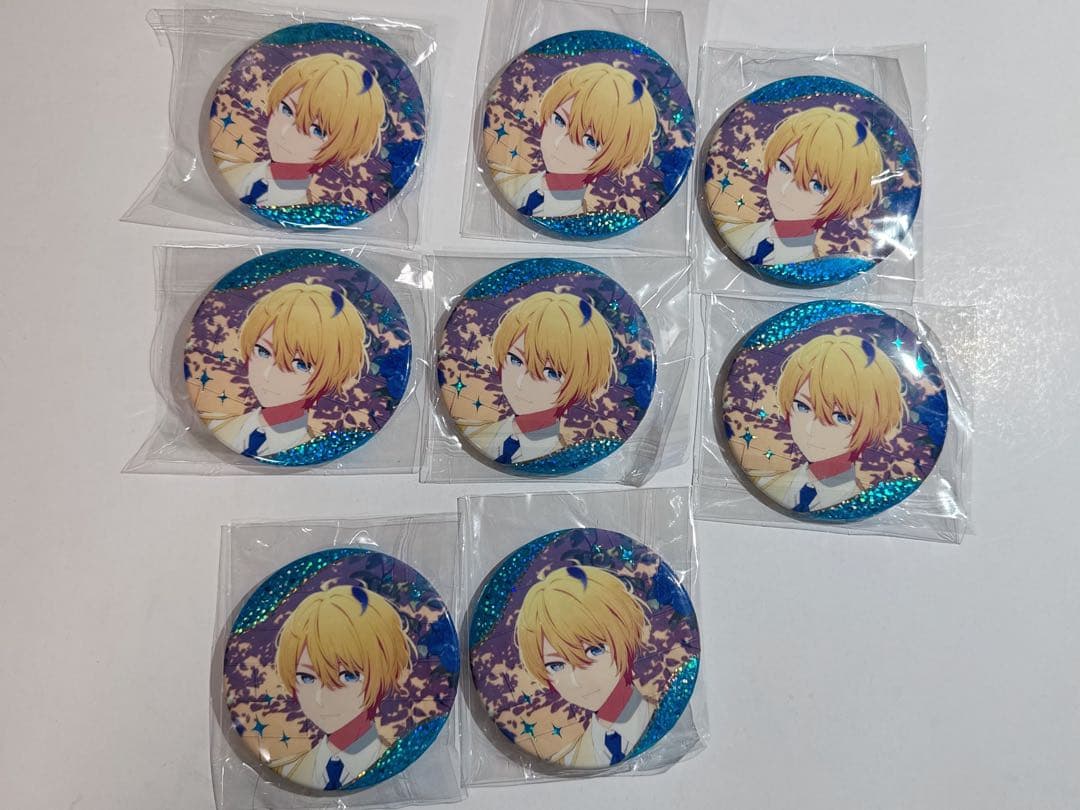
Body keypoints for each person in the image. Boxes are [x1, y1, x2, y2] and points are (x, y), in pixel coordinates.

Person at [271, 585, 414, 790]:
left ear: (383, 673)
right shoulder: (285, 770)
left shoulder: (402, 767)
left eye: (349, 676)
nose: (321, 699)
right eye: (307, 678)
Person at [207, 282, 368, 458]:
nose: (268, 375)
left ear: (331, 374)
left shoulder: (312, 452)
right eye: (263, 352)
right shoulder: (215, 426)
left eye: (301, 365)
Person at [515, 565, 653, 767]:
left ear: (624, 638)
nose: (576, 681)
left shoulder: (666, 718)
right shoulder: (566, 760)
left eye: (594, 650)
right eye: (556, 665)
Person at [753, 333, 906, 512]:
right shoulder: (765, 485)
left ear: (872, 424)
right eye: (802, 407)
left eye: (842, 417)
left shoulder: (862, 504)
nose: (811, 429)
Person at [717, 107, 884, 265]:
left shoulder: (816, 269)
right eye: (784, 167)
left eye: (817, 186)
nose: (787, 190)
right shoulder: (727, 228)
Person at [464, 291, 615, 464]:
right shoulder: (471, 432)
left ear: (581, 383)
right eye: (515, 360)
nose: (521, 383)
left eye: (552, 373)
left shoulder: (564, 459)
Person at [218, 53, 386, 207]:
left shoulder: (303, 213)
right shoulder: (223, 166)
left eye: (318, 131)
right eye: (286, 110)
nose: (287, 133)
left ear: (343, 146)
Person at [493, 63, 657, 217]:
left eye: (591, 141)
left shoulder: (582, 223)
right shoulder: (501, 178)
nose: (560, 143)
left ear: (614, 158)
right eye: (559, 120)